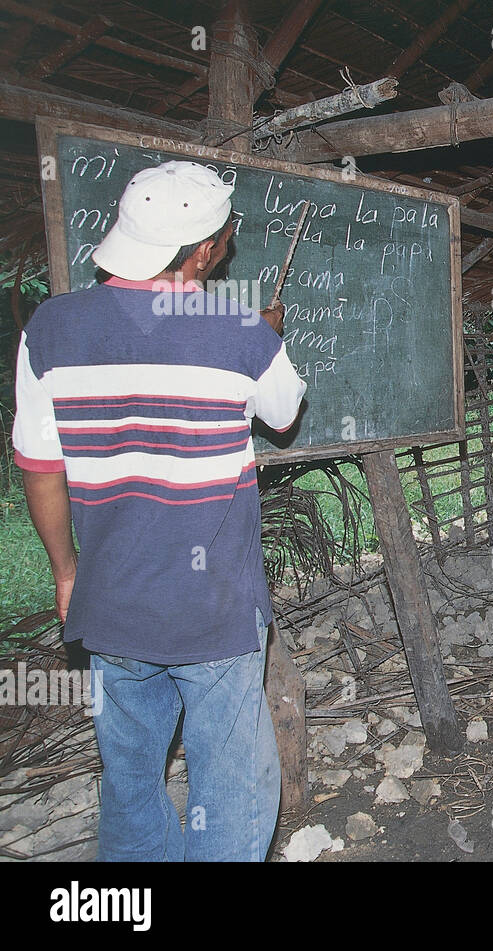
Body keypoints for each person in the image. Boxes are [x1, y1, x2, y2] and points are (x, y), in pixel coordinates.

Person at [13, 161, 306, 861]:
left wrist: (65, 571)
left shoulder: (50, 330)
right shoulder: (238, 329)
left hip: (112, 603)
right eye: (225, 237)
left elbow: (39, 466)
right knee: (232, 783)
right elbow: (286, 412)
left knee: (132, 777)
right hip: (215, 608)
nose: (228, 247)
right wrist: (270, 334)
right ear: (203, 251)